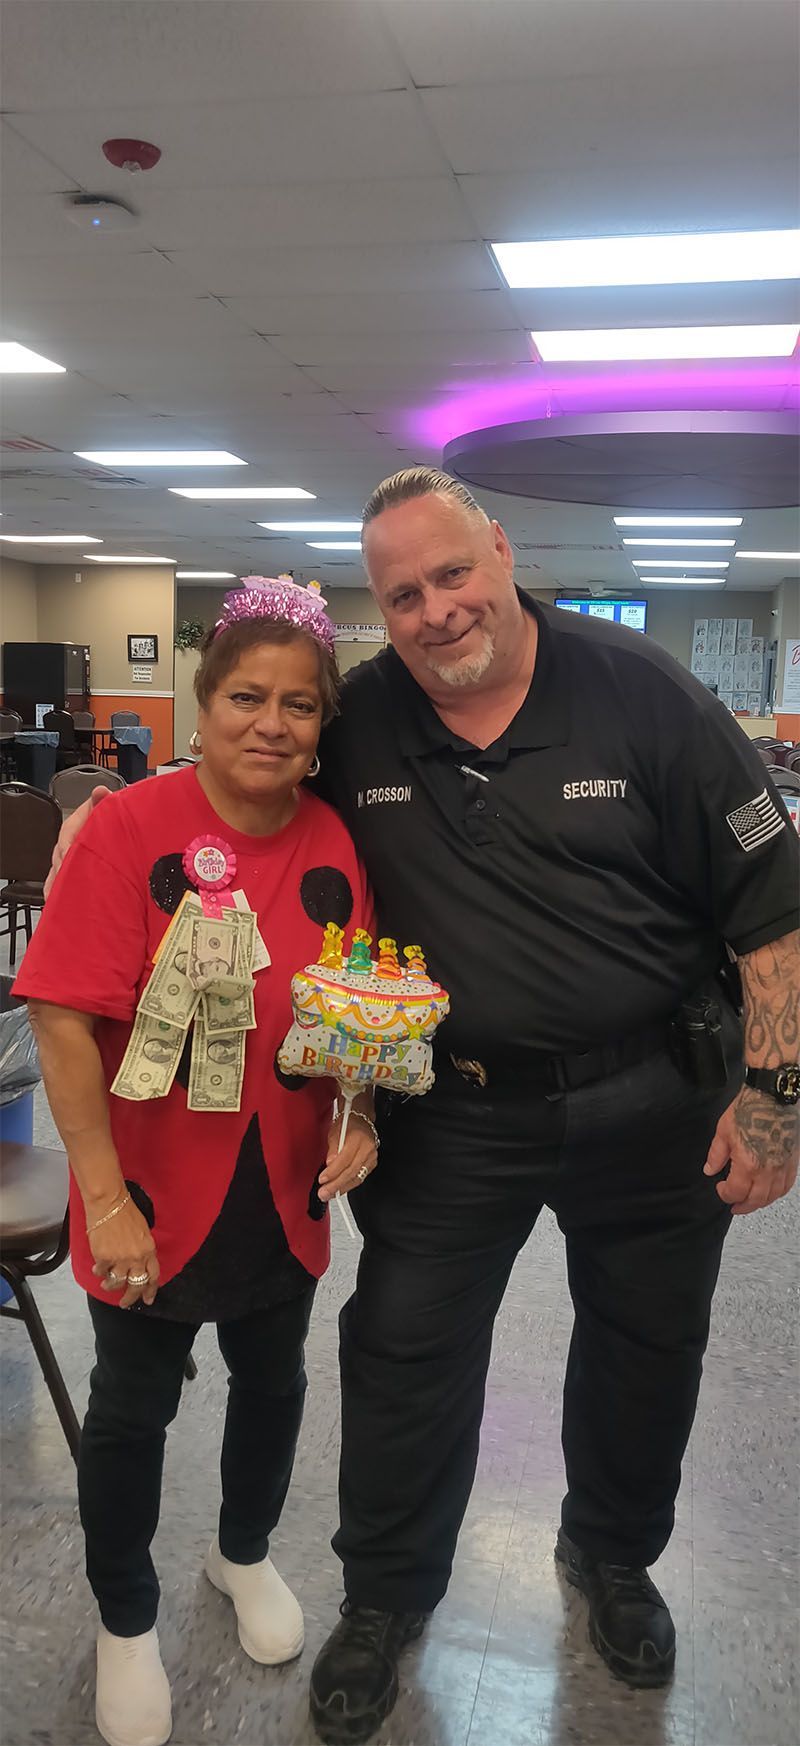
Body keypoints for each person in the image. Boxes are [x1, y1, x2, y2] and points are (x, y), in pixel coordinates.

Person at [51, 473, 800, 1746]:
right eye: (402, 594)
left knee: (646, 1344)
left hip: (647, 1098)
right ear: (381, 611)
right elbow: (251, 768)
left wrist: (775, 1095)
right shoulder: (366, 717)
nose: (435, 610)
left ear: (499, 553)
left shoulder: (645, 695)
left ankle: (611, 1558)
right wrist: (115, 821)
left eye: (452, 574)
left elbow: (772, 908)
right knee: (401, 1352)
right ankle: (387, 1599)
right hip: (449, 1110)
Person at [15, 579, 379, 1746]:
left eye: (298, 705)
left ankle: (241, 1553)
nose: (271, 723)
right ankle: (127, 1620)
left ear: (323, 720)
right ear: (201, 700)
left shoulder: (332, 839)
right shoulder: (126, 829)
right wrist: (103, 1198)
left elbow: (352, 1004)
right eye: (243, 697)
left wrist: (359, 1109)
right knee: (131, 1411)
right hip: (149, 1189)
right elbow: (63, 1017)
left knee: (273, 1384)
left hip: (280, 1186)